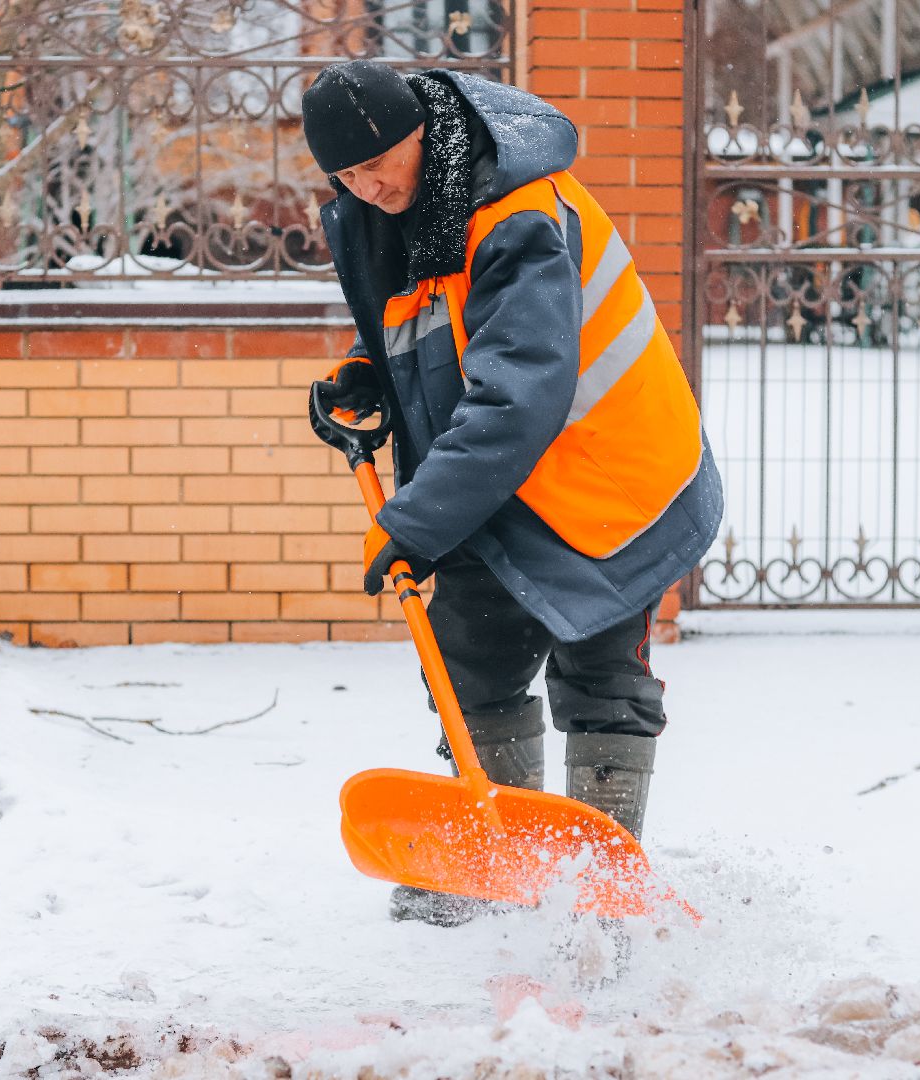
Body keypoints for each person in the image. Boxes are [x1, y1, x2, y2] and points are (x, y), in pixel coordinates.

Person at [302, 60, 724, 927]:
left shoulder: (518, 211)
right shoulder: (398, 213)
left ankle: (600, 891)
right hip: (498, 477)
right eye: (347, 175)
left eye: (383, 159)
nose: (370, 183)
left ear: (425, 128)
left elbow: (518, 389)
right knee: (469, 663)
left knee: (603, 677)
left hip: (608, 473)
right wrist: (363, 375)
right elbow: (427, 320)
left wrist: (412, 521)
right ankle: (496, 866)